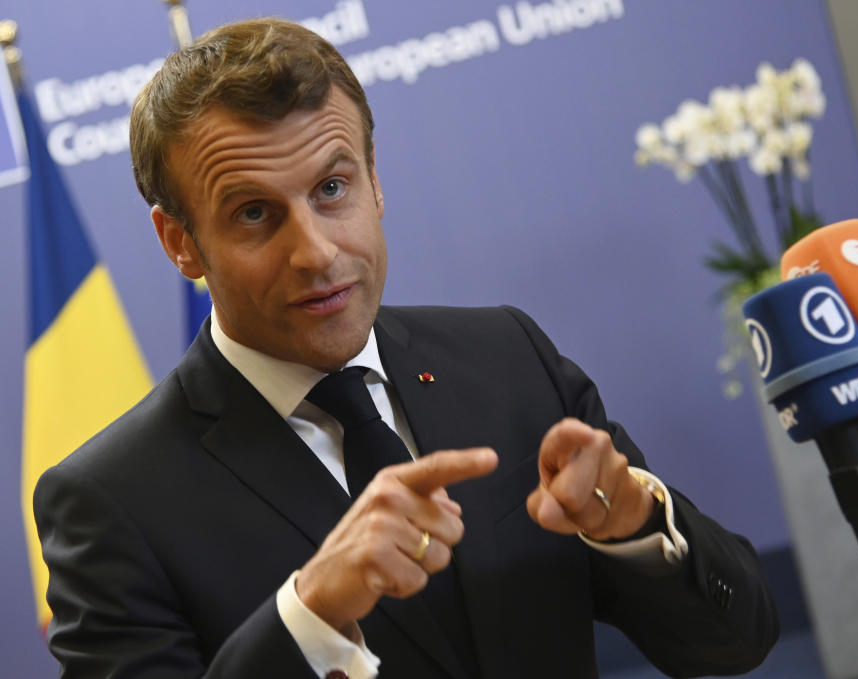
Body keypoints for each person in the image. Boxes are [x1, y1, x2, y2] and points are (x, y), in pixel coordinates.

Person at [34, 17, 779, 679]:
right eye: (255, 213)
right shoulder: (110, 501)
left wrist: (636, 526)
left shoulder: (507, 358)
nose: (318, 252)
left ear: (375, 179)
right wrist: (309, 615)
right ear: (180, 243)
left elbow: (736, 643)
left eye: (332, 188)